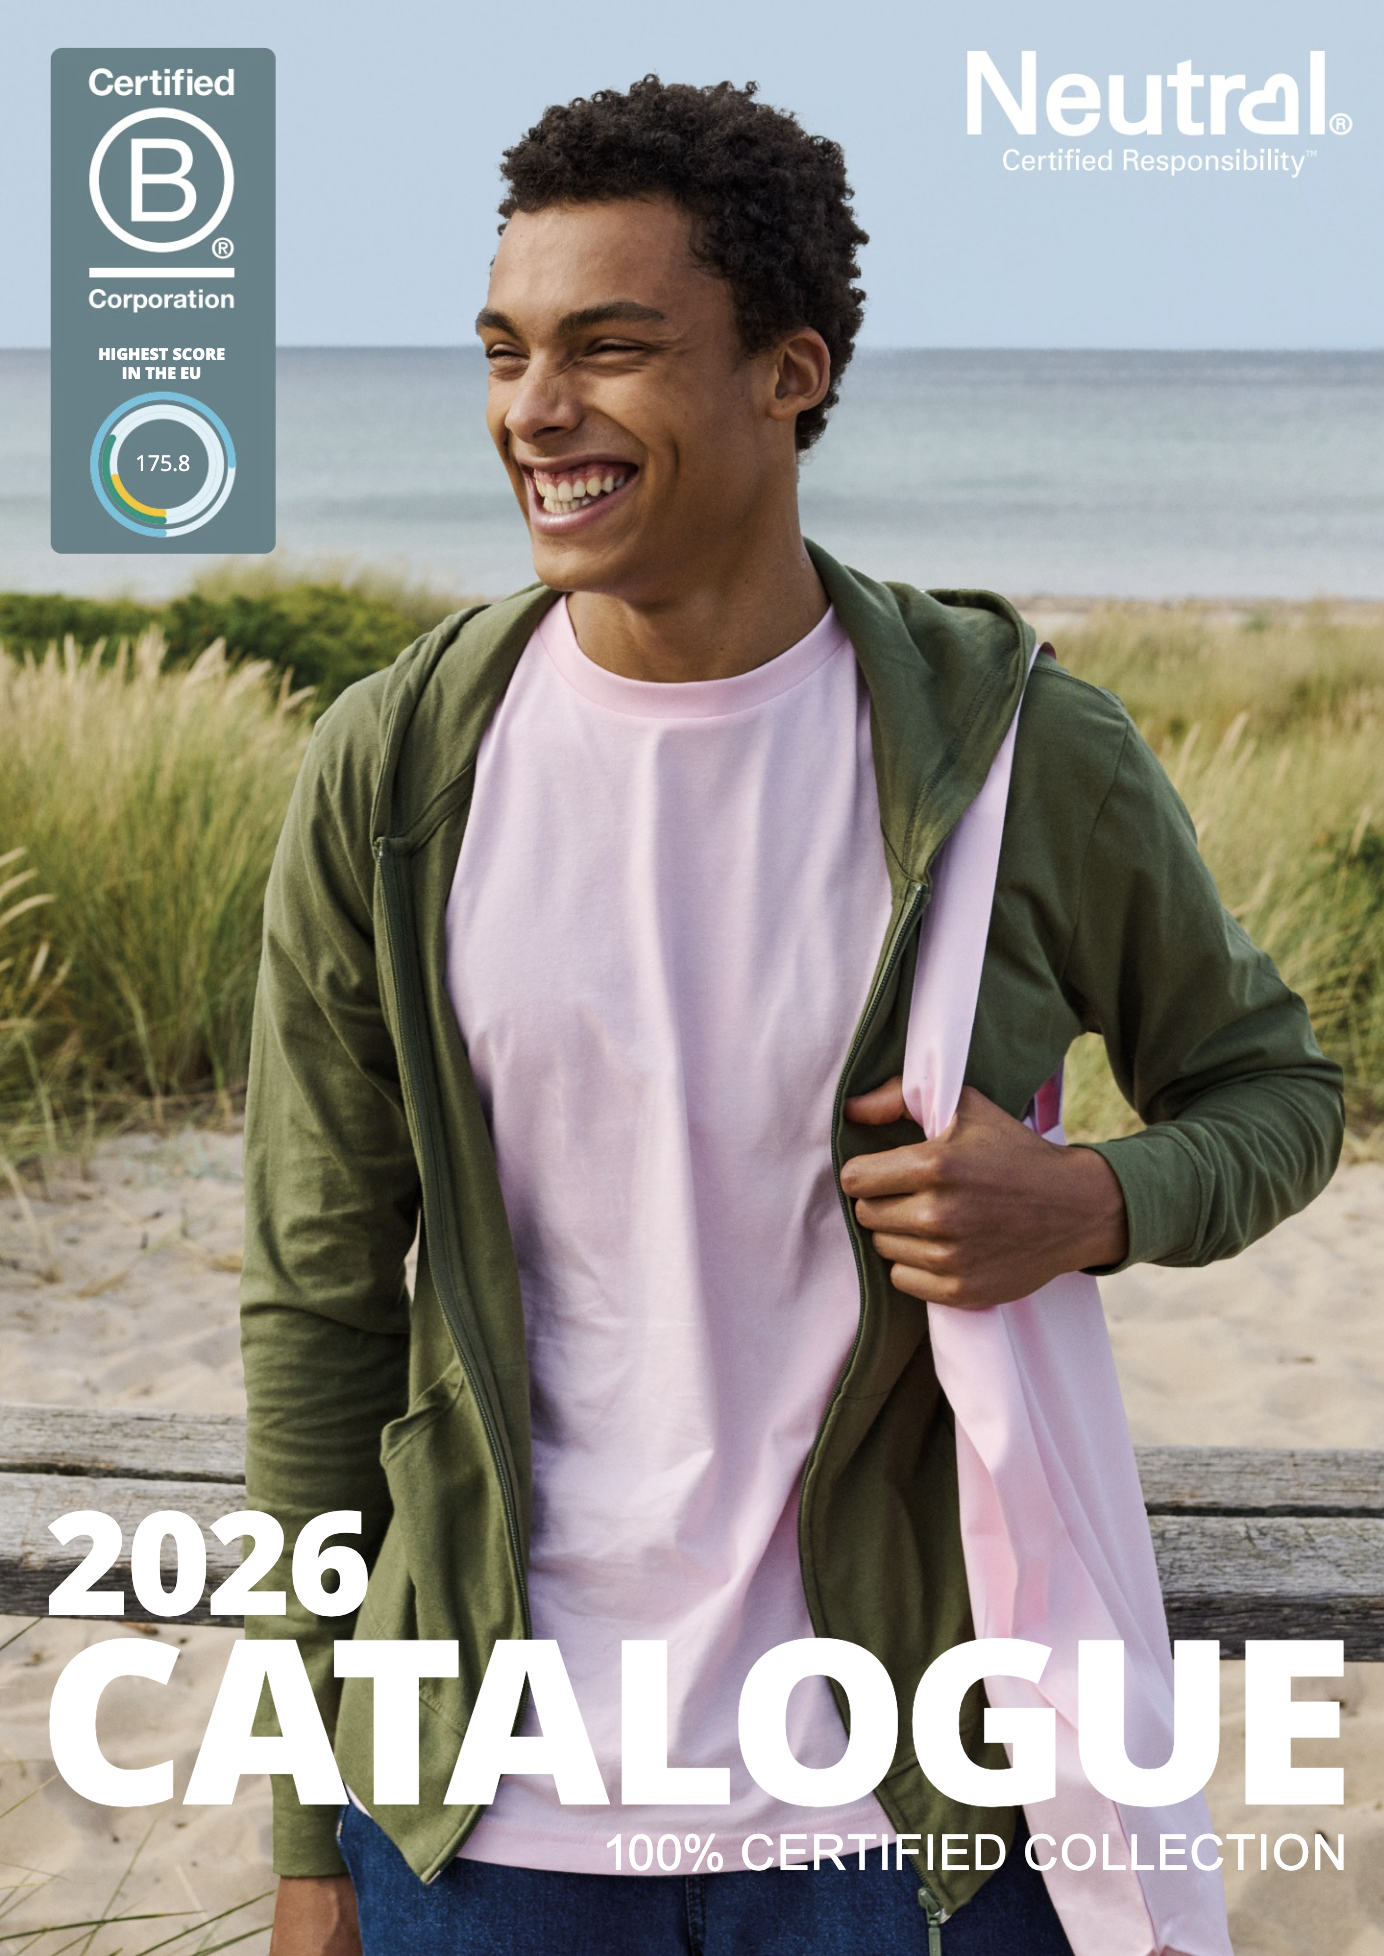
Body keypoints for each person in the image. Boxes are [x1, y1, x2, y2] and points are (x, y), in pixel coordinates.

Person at [243, 77, 1343, 1956]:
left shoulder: (1013, 752)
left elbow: (1275, 1092)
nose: (535, 411)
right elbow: (321, 1307)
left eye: (610, 349)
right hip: (486, 1814)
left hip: (909, 1810)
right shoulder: (398, 765)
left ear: (788, 372)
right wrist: (301, 1833)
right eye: (506, 352)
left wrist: (1092, 1208)